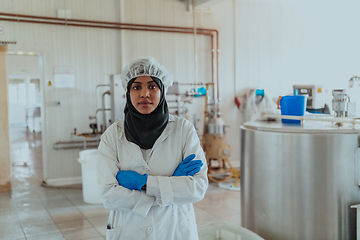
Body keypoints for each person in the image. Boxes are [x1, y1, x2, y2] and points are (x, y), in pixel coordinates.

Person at [97, 57, 208, 240]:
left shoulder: (183, 130)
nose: (144, 94)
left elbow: (198, 187)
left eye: (152, 86)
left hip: (173, 229)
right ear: (128, 91)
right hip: (129, 230)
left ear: (162, 90)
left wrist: (145, 183)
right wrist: (168, 187)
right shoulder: (113, 135)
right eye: (136, 87)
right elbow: (109, 195)